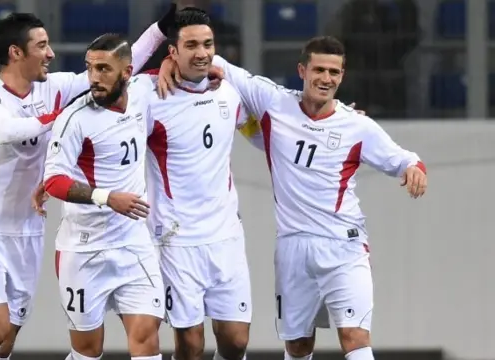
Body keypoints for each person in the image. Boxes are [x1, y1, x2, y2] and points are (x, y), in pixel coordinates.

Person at [158, 36, 427, 360]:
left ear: (342, 76)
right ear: (302, 70)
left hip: (344, 245)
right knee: (298, 345)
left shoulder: (357, 125)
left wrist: (414, 169)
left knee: (355, 337)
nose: (326, 78)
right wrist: (169, 61)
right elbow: (216, 65)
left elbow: (402, 158)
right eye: (319, 70)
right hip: (293, 246)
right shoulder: (273, 102)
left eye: (334, 72)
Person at [0, 8, 174, 360]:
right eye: (42, 46)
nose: (51, 54)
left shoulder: (54, 86)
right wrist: (61, 115)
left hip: (29, 229)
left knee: (5, 341)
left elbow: (120, 62)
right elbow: (6, 131)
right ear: (16, 53)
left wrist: (165, 27)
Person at [42, 34, 164, 360]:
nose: (94, 77)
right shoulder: (74, 118)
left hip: (134, 245)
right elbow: (53, 181)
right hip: (84, 250)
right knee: (87, 351)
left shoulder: (141, 93)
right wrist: (107, 198)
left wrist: (205, 71)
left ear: (127, 72)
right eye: (89, 68)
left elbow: (171, 71)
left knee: (147, 338)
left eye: (103, 69)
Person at [144, 8, 251, 360]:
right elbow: (110, 78)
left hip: (226, 236)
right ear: (172, 52)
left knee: (236, 342)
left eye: (207, 44)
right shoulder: (150, 96)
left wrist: (340, 116)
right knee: (190, 346)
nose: (201, 52)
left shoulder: (231, 91)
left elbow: (278, 116)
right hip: (177, 240)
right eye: (190, 45)